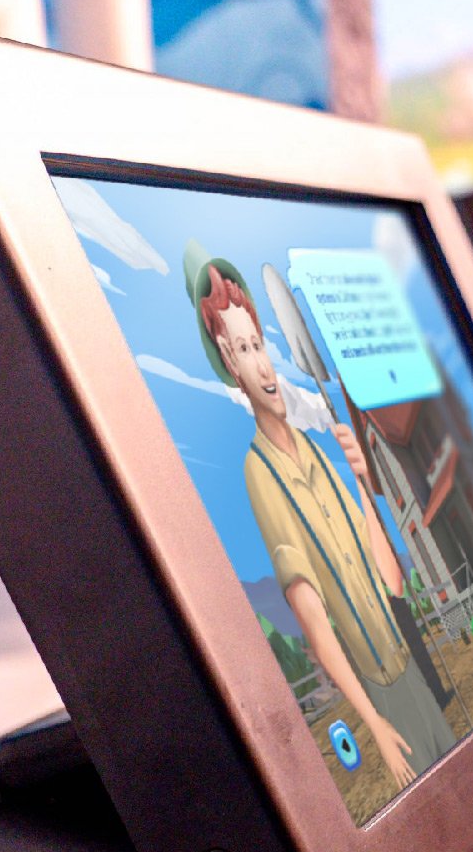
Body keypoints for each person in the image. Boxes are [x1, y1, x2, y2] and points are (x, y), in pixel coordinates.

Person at [185, 243, 457, 789]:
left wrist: (361, 485)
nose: (262, 364)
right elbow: (312, 618)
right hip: (378, 688)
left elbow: (391, 582)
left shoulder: (321, 457)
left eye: (259, 343)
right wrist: (375, 724)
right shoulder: (260, 474)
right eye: (242, 349)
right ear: (230, 365)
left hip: (411, 672)